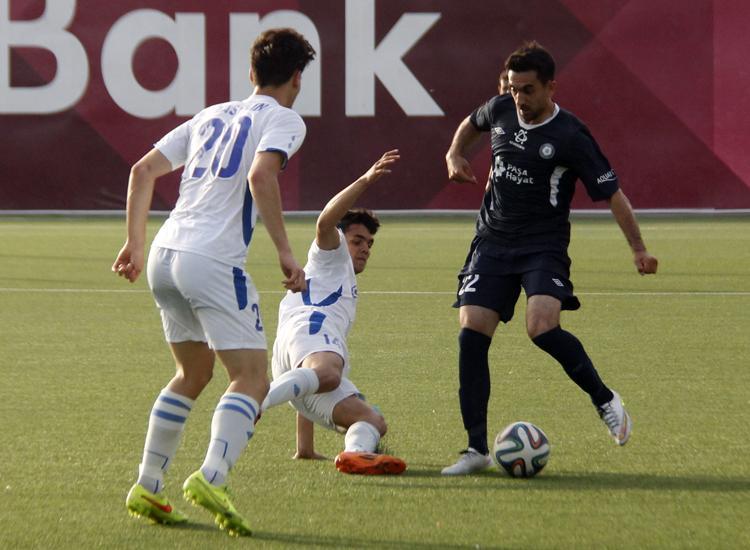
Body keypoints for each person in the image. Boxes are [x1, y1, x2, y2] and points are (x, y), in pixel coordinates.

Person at [112, 28, 316, 534]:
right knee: (252, 378)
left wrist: (135, 243)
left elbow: (141, 171)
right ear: (297, 78)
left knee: (193, 373)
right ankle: (213, 476)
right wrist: (285, 252)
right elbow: (260, 176)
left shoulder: (210, 114)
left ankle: (148, 485)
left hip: (165, 254)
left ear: (251, 73)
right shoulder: (284, 118)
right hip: (213, 260)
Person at [442, 41, 658, 475]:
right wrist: (454, 153)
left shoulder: (571, 136)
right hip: (492, 241)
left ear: (550, 88)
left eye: (528, 90)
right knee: (471, 333)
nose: (519, 98)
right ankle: (476, 449)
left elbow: (613, 194)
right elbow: (471, 123)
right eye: (513, 88)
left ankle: (604, 399)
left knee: (541, 327)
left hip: (542, 245)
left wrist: (638, 248)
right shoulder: (501, 109)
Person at [262, 150, 407, 475]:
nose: (365, 248)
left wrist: (305, 448)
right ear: (342, 239)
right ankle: (254, 402)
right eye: (358, 240)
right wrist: (366, 180)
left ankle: (355, 455)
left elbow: (310, 373)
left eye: (369, 243)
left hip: (294, 355)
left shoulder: (340, 278)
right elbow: (325, 221)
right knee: (328, 373)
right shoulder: (332, 253)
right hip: (307, 334)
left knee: (372, 420)